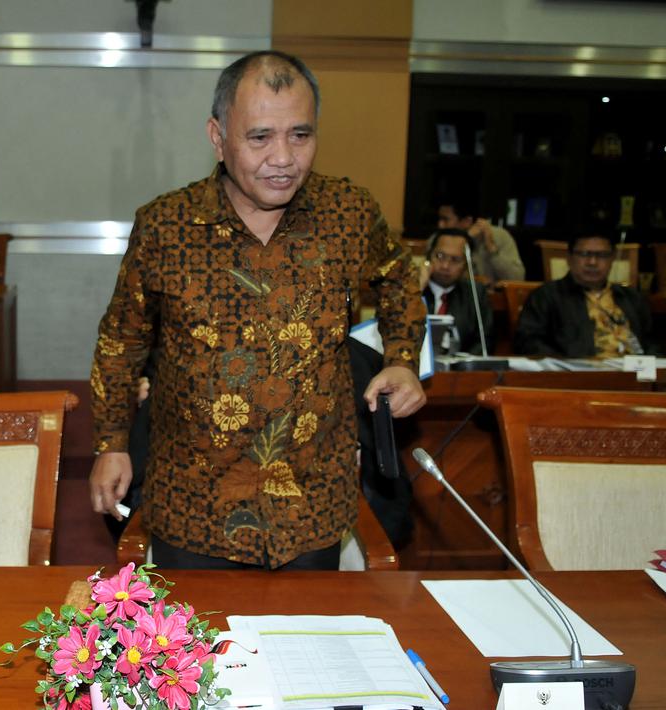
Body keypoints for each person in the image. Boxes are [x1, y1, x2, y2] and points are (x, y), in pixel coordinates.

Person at [88, 51, 426, 571]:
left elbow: (399, 279)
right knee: (197, 651)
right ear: (218, 136)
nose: (284, 158)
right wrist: (112, 442)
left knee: (304, 649)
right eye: (260, 137)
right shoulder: (167, 226)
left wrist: (401, 356)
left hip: (310, 505)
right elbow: (121, 341)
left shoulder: (348, 213)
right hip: (193, 505)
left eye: (300, 135)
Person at [514, 232, 656, 358]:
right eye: (584, 254)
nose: (592, 262)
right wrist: (566, 366)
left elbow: (652, 343)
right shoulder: (546, 296)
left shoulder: (631, 298)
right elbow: (528, 342)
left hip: (634, 376)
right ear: (569, 258)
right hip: (576, 377)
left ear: (612, 259)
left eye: (601, 255)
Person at [420, 228, 494, 355]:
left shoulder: (475, 293)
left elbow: (484, 342)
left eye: (455, 260)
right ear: (429, 256)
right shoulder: (413, 288)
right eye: (440, 256)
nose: (445, 266)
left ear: (466, 265)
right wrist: (417, 287)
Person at [437, 195, 525, 283]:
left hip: (493, 295)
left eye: (445, 219)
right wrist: (465, 240)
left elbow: (517, 278)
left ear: (467, 221)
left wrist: (491, 249)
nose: (440, 225)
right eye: (439, 219)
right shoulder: (438, 238)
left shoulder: (499, 236)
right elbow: (436, 276)